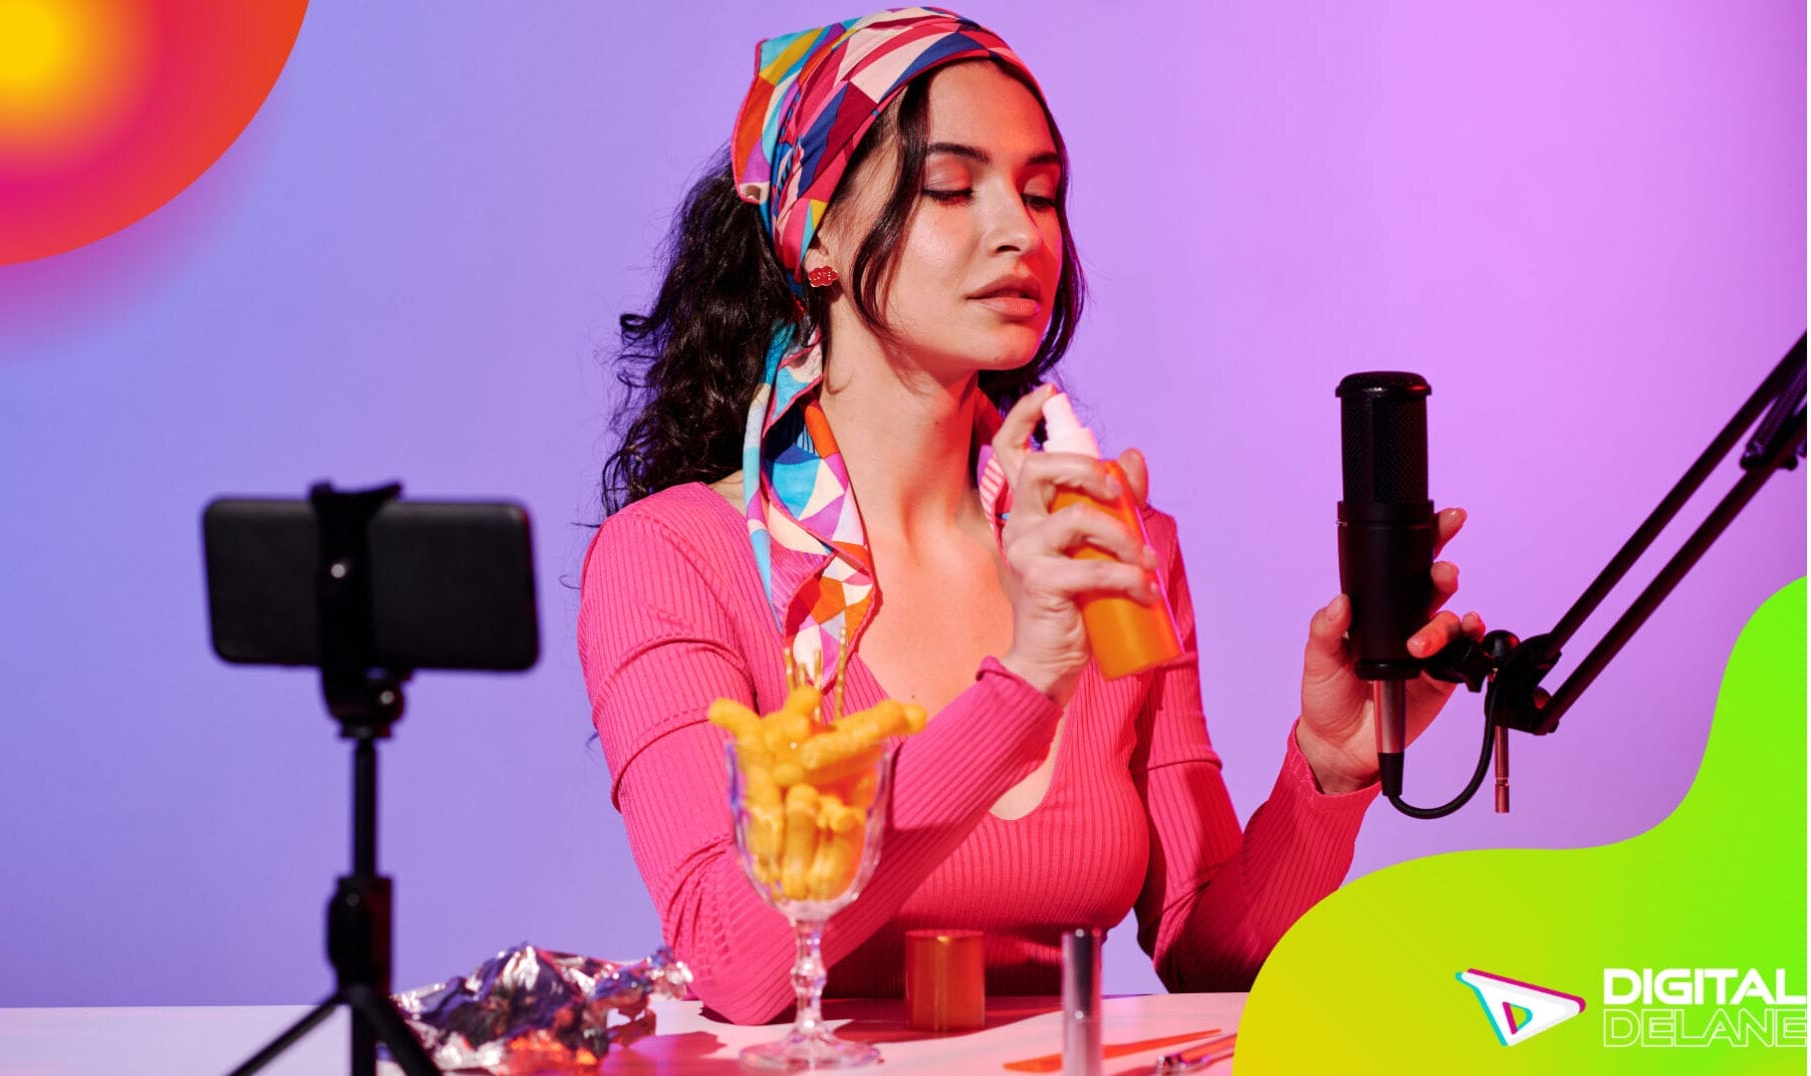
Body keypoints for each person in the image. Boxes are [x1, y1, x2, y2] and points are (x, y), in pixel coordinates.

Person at [580, 7, 1479, 1026]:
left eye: (1042, 191)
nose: (1021, 231)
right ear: (814, 233)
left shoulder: (1107, 539)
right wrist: (1028, 682)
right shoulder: (674, 557)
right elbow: (737, 961)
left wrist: (1330, 764)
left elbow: (1209, 961)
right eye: (952, 188)